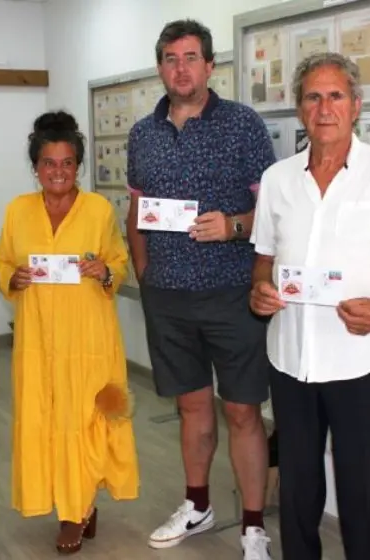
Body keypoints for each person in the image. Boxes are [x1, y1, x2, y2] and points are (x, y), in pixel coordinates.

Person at [249, 52, 370, 560]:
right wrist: (259, 291)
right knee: (299, 492)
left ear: (356, 106)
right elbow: (262, 259)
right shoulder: (278, 178)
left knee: (363, 494)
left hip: (362, 361)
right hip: (291, 362)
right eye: (312, 96)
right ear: (299, 109)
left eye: (335, 96)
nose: (324, 107)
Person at [126, 18, 277, 559]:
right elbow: (136, 209)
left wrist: (233, 225)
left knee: (241, 411)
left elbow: (273, 211)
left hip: (232, 293)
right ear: (160, 67)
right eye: (170, 58)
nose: (180, 68)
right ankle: (197, 505)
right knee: (192, 407)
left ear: (210, 66)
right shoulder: (143, 133)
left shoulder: (242, 125)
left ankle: (253, 527)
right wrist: (145, 276)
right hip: (167, 296)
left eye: (191, 57)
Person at [0, 110, 139, 555]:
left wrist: (104, 270)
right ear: (36, 167)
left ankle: (74, 512)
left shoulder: (96, 209)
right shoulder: (18, 210)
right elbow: (3, 262)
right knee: (45, 419)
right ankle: (70, 503)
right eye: (48, 163)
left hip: (88, 338)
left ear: (78, 166)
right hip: (38, 340)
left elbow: (119, 260)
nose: (58, 172)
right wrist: (12, 279)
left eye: (67, 163)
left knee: (84, 421)